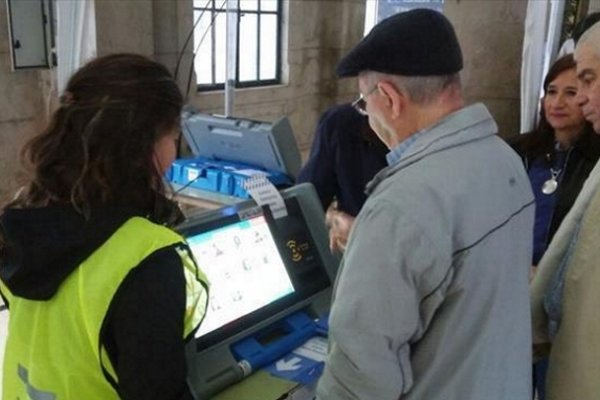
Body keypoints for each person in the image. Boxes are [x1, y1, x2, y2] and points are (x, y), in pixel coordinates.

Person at [316, 9, 535, 400]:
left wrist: (376, 236)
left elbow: (359, 377)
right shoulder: (505, 160)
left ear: (389, 98)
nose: (367, 116)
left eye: (365, 104)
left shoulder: (402, 203)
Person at [0, 54, 208, 400]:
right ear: (144, 144)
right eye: (174, 135)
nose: (175, 150)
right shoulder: (146, 258)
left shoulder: (23, 221)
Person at [510, 53, 600, 400]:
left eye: (572, 91)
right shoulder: (519, 151)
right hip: (511, 292)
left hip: (560, 304)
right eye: (551, 91)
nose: (557, 102)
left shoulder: (593, 166)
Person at [296, 103, 387, 252]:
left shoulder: (430, 149)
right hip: (350, 254)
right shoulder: (341, 122)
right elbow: (306, 204)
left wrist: (362, 231)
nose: (362, 108)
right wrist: (332, 218)